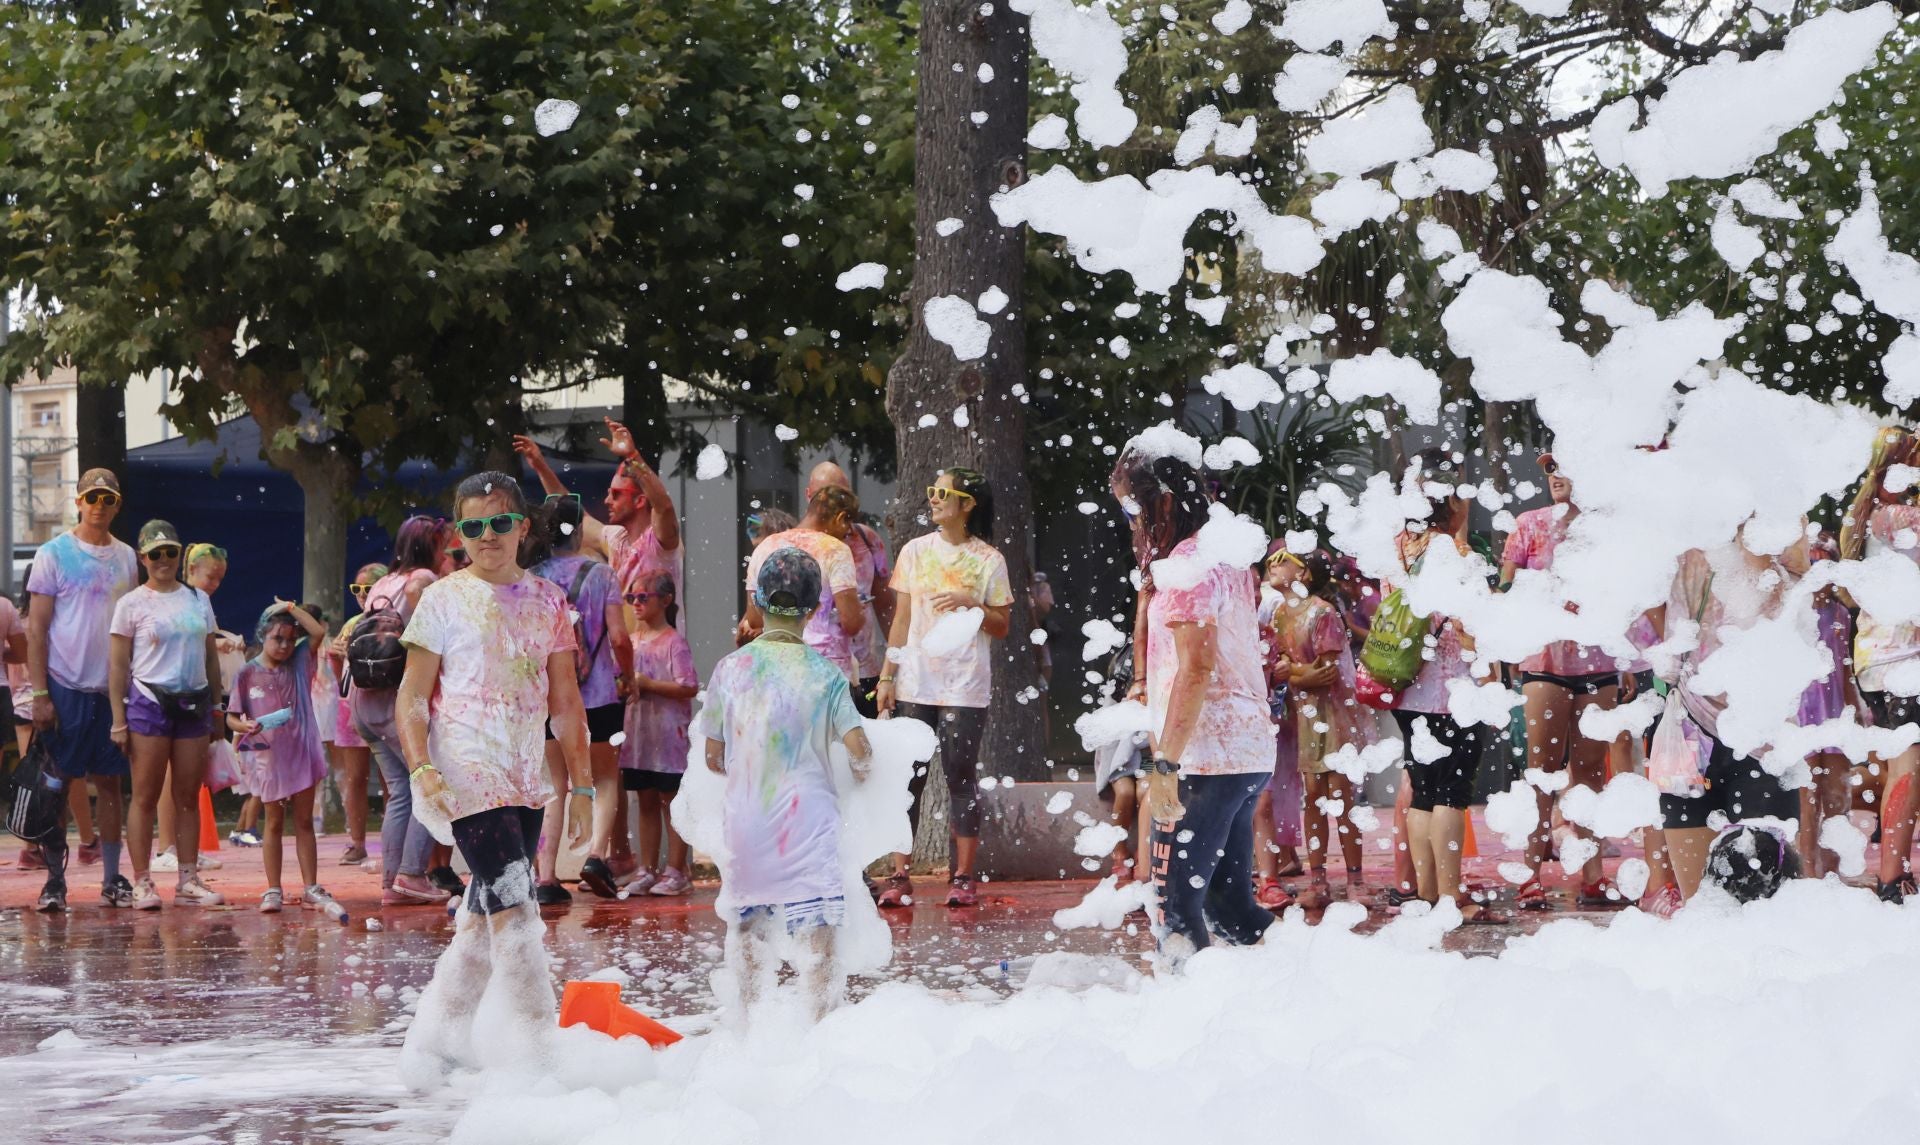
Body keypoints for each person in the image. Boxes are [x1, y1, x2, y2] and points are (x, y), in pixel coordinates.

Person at [396, 471, 592, 1087]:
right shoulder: (442, 599)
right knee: (516, 907)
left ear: (522, 527)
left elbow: (565, 702)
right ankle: (539, 1058)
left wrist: (581, 785)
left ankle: (439, 1037)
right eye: (474, 526)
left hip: (525, 775)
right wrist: (423, 766)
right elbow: (411, 698)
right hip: (465, 774)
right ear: (461, 532)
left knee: (485, 914)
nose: (487, 537)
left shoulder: (547, 600)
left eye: (499, 523)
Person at [1109, 443, 1276, 966]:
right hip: (1244, 751)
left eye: (1131, 508)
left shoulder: (1188, 565)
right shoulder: (1224, 557)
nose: (1128, 523)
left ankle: (1182, 1026)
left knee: (1175, 909)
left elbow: (1196, 668)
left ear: (1161, 504)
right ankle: (1302, 989)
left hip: (1206, 756)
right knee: (1230, 907)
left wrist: (1164, 762)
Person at [701, 548, 874, 1021]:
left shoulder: (729, 670)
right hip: (809, 825)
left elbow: (713, 755)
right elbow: (861, 750)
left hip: (749, 824)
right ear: (817, 607)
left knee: (751, 932)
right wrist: (860, 775)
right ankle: (817, 1032)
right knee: (818, 941)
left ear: (756, 600)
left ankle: (748, 1027)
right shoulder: (827, 675)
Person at [874, 469, 1013, 909]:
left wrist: (973, 604)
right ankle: (900, 875)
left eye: (942, 493)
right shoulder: (914, 552)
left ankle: (964, 876)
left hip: (963, 685)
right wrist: (886, 676)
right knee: (906, 781)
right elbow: (900, 620)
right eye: (931, 491)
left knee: (960, 777)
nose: (932, 498)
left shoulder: (989, 559)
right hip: (916, 681)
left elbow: (1002, 625)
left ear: (967, 504)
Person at [1645, 538, 1805, 904]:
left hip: (1758, 732)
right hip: (1688, 725)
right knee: (1699, 909)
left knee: (1766, 904)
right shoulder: (1674, 524)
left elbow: (1772, 597)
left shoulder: (1773, 518)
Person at [1499, 452, 1624, 909]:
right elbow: (1507, 588)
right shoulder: (1529, 523)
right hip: (1543, 662)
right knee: (1543, 773)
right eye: (1550, 468)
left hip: (1598, 663)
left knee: (1591, 774)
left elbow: (1622, 591)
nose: (1555, 476)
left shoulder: (1605, 528)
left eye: (1565, 465)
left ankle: (1592, 875)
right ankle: (1531, 872)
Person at [1386, 450, 1500, 922]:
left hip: (1409, 687)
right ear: (1452, 500)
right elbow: (1473, 628)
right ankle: (1453, 900)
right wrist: (1489, 669)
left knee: (1423, 789)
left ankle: (1427, 893)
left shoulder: (1397, 550)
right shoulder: (1459, 555)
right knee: (1453, 791)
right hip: (1455, 693)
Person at [24, 470, 139, 911]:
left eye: (106, 498)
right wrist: (39, 694)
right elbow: (37, 630)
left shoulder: (128, 557)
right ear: (78, 501)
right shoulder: (53, 553)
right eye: (91, 497)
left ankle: (112, 877)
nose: (98, 505)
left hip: (110, 689)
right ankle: (55, 880)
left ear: (116, 504)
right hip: (65, 684)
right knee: (56, 784)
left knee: (110, 784)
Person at [110, 519, 224, 910]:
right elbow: (118, 667)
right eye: (155, 554)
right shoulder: (131, 604)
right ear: (142, 558)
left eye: (170, 552)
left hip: (193, 703)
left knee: (188, 795)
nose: (163, 560)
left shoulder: (198, 599)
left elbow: (210, 656)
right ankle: (142, 881)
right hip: (148, 703)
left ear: (180, 555)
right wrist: (118, 721)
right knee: (144, 794)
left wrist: (217, 707)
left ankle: (188, 878)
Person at [524, 494, 633, 903]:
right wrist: (629, 675)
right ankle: (595, 857)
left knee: (555, 783)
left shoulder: (530, 579)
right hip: (599, 694)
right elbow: (619, 637)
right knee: (603, 778)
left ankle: (547, 878)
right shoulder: (601, 574)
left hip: (550, 698)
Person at [347, 517, 449, 905]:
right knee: (431, 781)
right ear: (429, 547)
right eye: (441, 546)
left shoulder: (383, 584)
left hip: (364, 702)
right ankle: (411, 874)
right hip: (396, 702)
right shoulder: (422, 580)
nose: (445, 555)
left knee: (402, 793)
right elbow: (437, 634)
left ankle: (392, 883)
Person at [1841, 427, 1920, 900]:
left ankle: (1893, 872)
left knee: (1901, 762)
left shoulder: (1870, 512)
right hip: (1904, 659)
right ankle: (1892, 875)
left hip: (1878, 657)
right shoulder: (1901, 517)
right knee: (1907, 765)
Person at [1270, 548, 1370, 909]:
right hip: (1307, 712)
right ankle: (1318, 878)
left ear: (1305, 575)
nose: (1274, 565)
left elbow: (1325, 672)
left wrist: (1293, 673)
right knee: (1312, 796)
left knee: (1340, 797)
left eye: (1283, 560)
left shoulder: (1322, 612)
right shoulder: (1281, 614)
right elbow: (1287, 666)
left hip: (1334, 713)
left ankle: (1354, 878)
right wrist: (1299, 673)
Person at [229, 600, 337, 917]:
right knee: (273, 823)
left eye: (290, 639)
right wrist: (243, 725)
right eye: (278, 638)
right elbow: (232, 717)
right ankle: (273, 887)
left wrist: (291, 608)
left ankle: (311, 886)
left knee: (303, 822)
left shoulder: (301, 661)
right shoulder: (247, 673)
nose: (286, 645)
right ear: (263, 635)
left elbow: (318, 631)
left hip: (302, 753)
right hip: (270, 759)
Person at [513, 419, 683, 619]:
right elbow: (575, 513)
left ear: (639, 501)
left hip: (662, 650)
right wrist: (541, 466)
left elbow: (664, 507)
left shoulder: (660, 545)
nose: (607, 500)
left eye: (617, 494)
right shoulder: (616, 538)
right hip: (622, 650)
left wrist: (632, 456)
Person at [155, 543, 240, 867]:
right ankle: (165, 848)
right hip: (166, 693)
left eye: (220, 579)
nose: (215, 584)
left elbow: (205, 646)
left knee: (187, 778)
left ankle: (185, 847)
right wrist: (220, 643)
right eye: (210, 577)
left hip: (196, 694)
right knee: (166, 774)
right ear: (190, 570)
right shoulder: (169, 598)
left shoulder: (200, 601)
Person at [620, 573, 699, 896]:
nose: (636, 604)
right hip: (639, 737)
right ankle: (647, 868)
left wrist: (649, 685)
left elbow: (688, 685)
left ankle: (676, 869)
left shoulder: (673, 642)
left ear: (665, 601)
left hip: (669, 739)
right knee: (646, 800)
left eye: (643, 597)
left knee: (672, 802)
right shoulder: (632, 641)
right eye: (632, 599)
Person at [737, 485, 865, 679]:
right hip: (826, 671)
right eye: (849, 523)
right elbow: (851, 623)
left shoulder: (766, 546)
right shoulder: (836, 550)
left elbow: (754, 619)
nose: (849, 531)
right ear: (840, 518)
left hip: (776, 667)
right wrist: (859, 610)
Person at [804, 461, 896, 716]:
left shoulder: (867, 539)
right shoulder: (796, 543)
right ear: (809, 496)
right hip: (812, 670)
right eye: (827, 497)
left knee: (866, 749)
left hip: (864, 669)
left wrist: (897, 658)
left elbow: (885, 602)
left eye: (842, 496)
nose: (836, 506)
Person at [329, 562, 387, 865]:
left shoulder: (391, 621)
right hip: (350, 707)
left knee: (392, 778)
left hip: (383, 704)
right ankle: (356, 842)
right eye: (357, 589)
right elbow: (339, 677)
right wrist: (336, 656)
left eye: (368, 589)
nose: (362, 595)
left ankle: (393, 842)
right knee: (355, 778)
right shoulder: (350, 624)